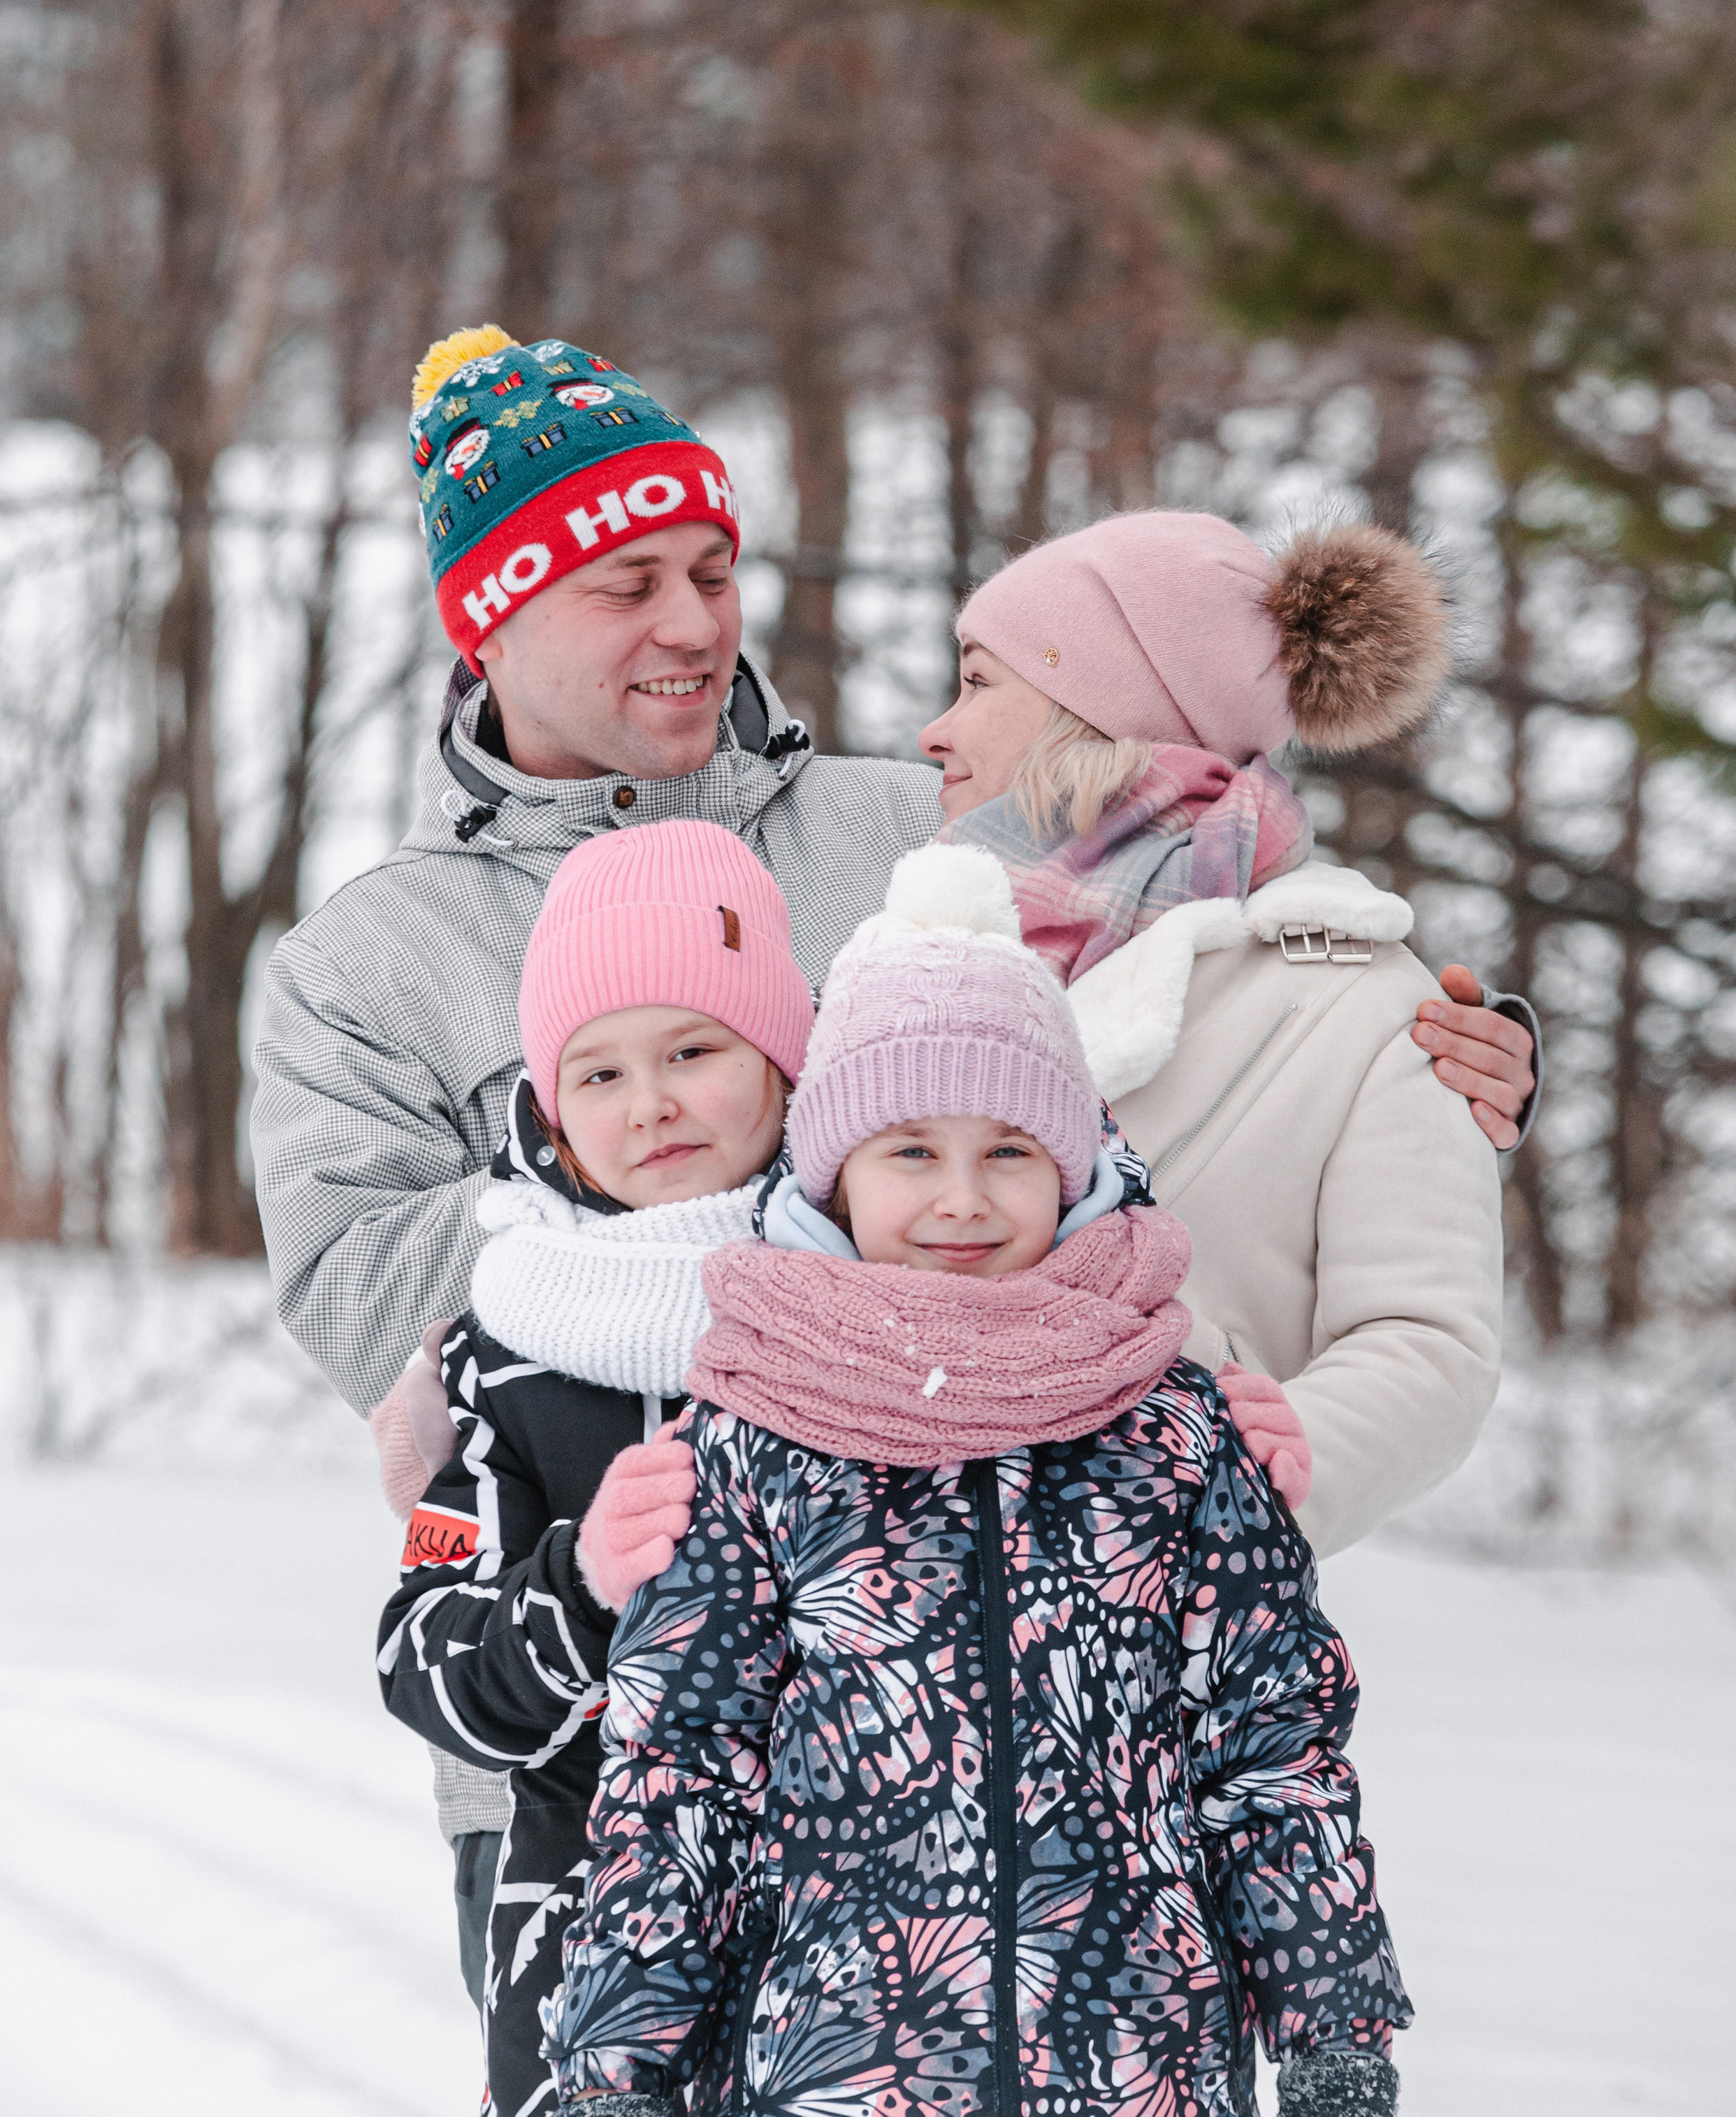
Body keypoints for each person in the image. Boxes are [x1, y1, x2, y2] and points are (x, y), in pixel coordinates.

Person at [251, 324, 1533, 1980]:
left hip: (950, 1744)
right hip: (592, 1745)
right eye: (625, 582)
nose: (694, 622)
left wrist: (1455, 1050)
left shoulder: (910, 837)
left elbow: (1205, 933)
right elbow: (359, 1297)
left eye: (713, 567)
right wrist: (689, 1185)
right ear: (490, 614)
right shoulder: (366, 964)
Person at [547, 844, 1410, 2117]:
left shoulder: (1171, 1426)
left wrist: (1337, 2029)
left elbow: (1273, 1749)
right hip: (837, 2076)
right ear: (835, 1173)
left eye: (1009, 1149)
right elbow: (682, 1779)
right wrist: (618, 2068)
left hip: (1142, 2073)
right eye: (910, 1151)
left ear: (1070, 1163)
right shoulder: (756, 1435)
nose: (962, 1199)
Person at [924, 511, 1523, 1554]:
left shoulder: (1370, 999)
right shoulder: (917, 935)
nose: (938, 728)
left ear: (1100, 703)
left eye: (979, 681)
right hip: (877, 1616)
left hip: (1165, 1636)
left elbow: (1426, 1344)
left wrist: (1225, 1498)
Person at [377, 821, 817, 2117]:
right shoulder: (505, 1340)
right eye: (602, 1072)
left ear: (786, 1060)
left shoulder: (881, 1284)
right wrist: (575, 1586)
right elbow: (422, 1661)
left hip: (861, 1924)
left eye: (694, 1050)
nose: (652, 1103)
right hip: (590, 1927)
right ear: (553, 1106)